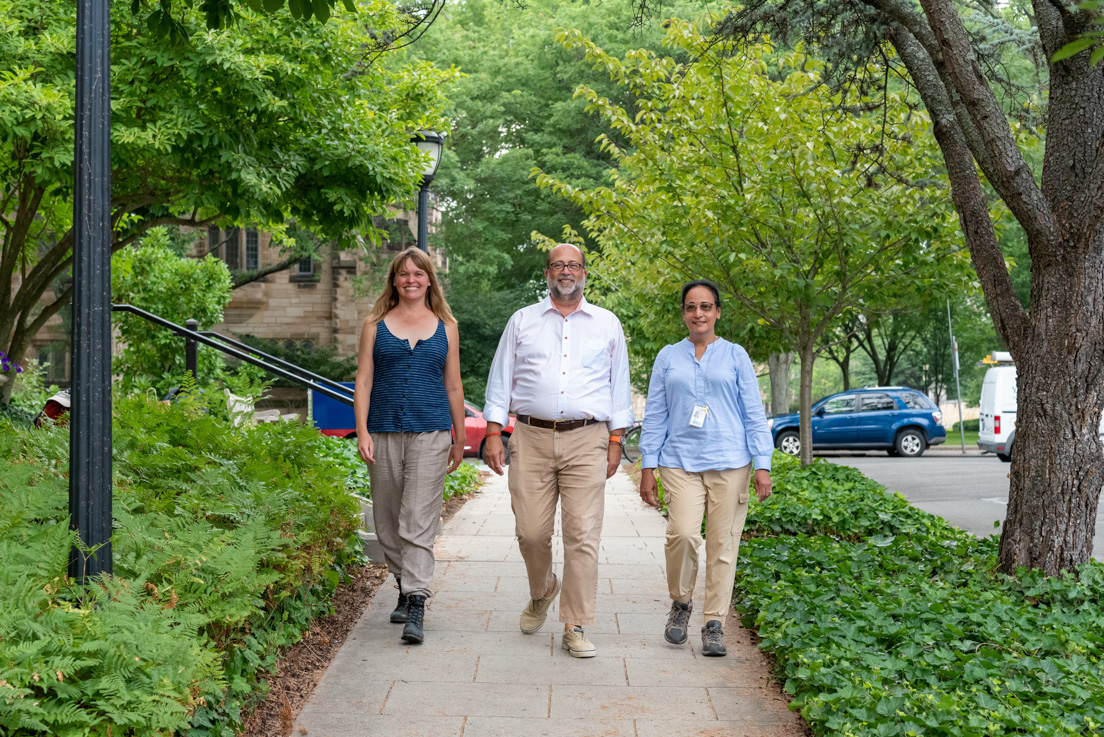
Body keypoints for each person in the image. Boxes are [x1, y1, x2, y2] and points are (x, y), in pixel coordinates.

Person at [483, 243, 633, 658]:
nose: (566, 271)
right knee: (530, 532)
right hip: (529, 437)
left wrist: (617, 439)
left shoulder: (607, 324)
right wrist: (494, 432)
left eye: (573, 265)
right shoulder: (522, 321)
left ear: (585, 272)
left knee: (582, 534)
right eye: (557, 265)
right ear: (547, 273)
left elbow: (618, 385)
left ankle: (576, 624)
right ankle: (543, 588)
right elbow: (501, 379)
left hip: (588, 438)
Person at [638, 279, 773, 657]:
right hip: (679, 461)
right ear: (683, 313)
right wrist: (649, 466)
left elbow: (753, 413)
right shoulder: (667, 357)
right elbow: (655, 414)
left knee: (722, 545)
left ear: (717, 312)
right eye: (691, 307)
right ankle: (680, 605)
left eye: (706, 306)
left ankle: (714, 623)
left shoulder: (735, 355)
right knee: (681, 534)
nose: (698, 313)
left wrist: (762, 464)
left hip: (731, 462)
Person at [353, 247, 465, 645]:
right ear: (394, 280)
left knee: (417, 518)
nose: (411, 279)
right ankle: (403, 582)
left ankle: (416, 600)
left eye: (419, 273)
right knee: (387, 522)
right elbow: (363, 380)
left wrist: (459, 437)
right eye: (404, 274)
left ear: (430, 279)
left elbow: (453, 384)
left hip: (432, 431)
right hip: (382, 430)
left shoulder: (446, 325)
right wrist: (362, 431)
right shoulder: (375, 323)